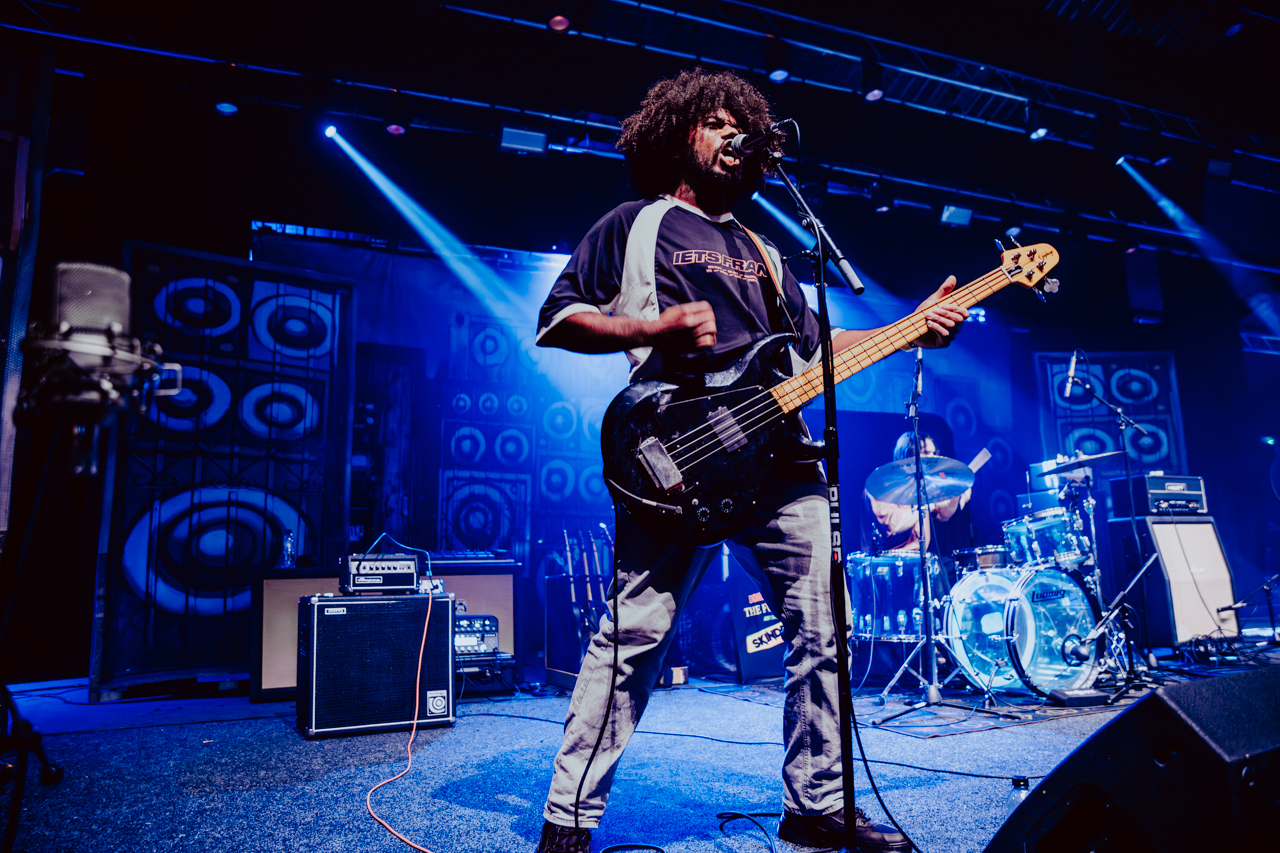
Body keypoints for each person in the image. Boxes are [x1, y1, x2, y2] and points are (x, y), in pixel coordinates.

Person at [533, 68, 968, 853]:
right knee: (633, 637)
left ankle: (817, 805)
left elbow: (816, 349)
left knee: (825, 630)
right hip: (679, 454)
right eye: (716, 121)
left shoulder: (766, 251)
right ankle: (567, 820)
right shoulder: (636, 224)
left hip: (784, 461)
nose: (734, 133)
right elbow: (559, 318)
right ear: (678, 136)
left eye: (743, 124)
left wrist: (911, 327)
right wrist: (653, 329)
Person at [864, 432, 972, 556]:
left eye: (934, 453)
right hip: (886, 561)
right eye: (926, 453)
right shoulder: (882, 485)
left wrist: (956, 492)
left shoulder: (921, 485)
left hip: (919, 558)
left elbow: (944, 516)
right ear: (907, 455)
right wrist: (930, 505)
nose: (932, 459)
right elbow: (893, 525)